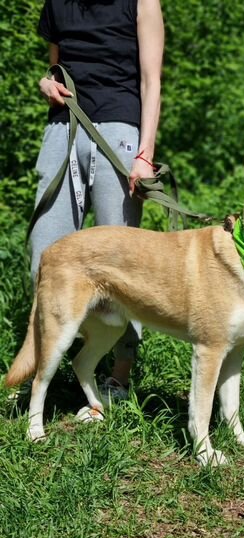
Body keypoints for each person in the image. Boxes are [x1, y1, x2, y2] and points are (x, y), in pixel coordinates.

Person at [31, 0, 164, 401]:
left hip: (121, 128)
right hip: (64, 125)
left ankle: (119, 376)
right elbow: (55, 69)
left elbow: (151, 80)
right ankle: (46, 373)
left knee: (126, 262)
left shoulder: (143, 2)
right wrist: (46, 84)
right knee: (45, 252)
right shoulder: (57, 3)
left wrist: (144, 154)